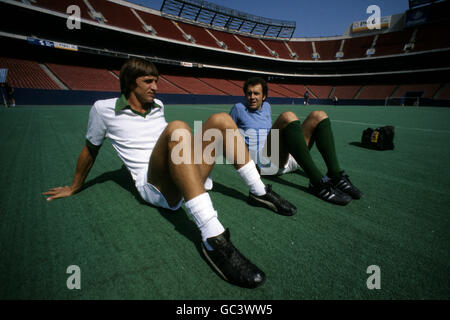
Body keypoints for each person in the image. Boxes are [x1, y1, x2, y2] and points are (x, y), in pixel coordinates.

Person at [42, 58, 296, 289]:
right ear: (130, 83)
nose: (156, 87)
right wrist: (75, 185)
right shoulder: (103, 109)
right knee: (178, 129)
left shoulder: (158, 105)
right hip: (154, 185)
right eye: (148, 81)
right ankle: (212, 237)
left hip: (182, 169)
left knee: (222, 120)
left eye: (157, 80)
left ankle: (259, 191)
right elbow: (90, 149)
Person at [230, 77, 363, 206]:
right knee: (287, 117)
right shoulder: (238, 108)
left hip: (288, 159)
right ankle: (317, 182)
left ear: (264, 96)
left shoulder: (267, 107)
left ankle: (335, 174)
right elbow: (228, 135)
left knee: (319, 115)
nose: (252, 97)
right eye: (249, 93)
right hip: (265, 162)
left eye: (256, 93)